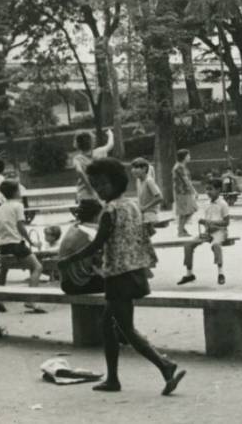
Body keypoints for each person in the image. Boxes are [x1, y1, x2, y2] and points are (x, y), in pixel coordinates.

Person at [57, 158, 186, 395]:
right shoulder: (132, 205)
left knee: (127, 329)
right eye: (94, 185)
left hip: (119, 276)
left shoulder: (109, 211)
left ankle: (165, 366)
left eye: (102, 184)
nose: (98, 189)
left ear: (116, 182)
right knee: (107, 325)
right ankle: (113, 379)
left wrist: (68, 260)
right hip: (132, 272)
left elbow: (97, 244)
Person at [0, 180, 44, 297]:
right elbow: (20, 226)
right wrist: (31, 241)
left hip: (3, 244)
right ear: (16, 192)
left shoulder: (1, 208)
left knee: (4, 269)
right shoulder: (18, 205)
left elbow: (0, 225)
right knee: (37, 267)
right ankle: (31, 300)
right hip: (16, 244)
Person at [178, 179, 229, 286]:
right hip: (208, 232)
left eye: (211, 189)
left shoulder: (223, 204)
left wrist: (210, 222)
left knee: (216, 245)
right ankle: (189, 274)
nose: (208, 192)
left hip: (220, 231)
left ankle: (221, 273)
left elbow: (226, 222)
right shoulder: (206, 204)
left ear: (218, 190)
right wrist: (203, 223)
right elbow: (205, 220)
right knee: (188, 245)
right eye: (206, 189)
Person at [58, 200, 105, 295]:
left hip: (66, 283)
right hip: (80, 284)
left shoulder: (74, 227)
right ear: (96, 216)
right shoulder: (91, 232)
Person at [74, 129, 114, 203]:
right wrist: (110, 134)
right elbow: (110, 144)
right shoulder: (100, 152)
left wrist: (91, 190)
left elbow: (79, 171)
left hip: (84, 195)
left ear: (77, 144)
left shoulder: (78, 159)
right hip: (102, 194)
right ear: (92, 142)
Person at [131, 158, 163, 237]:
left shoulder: (149, 181)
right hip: (142, 214)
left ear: (144, 169)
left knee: (141, 237)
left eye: (136, 168)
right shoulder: (138, 181)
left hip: (149, 214)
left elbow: (159, 198)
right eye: (133, 168)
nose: (133, 170)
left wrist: (145, 207)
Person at [171, 149, 197, 237]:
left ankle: (181, 228)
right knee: (185, 211)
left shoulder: (181, 166)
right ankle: (180, 230)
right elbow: (186, 180)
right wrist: (194, 191)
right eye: (188, 155)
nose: (189, 157)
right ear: (184, 157)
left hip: (184, 191)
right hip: (182, 192)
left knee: (191, 209)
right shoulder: (179, 167)